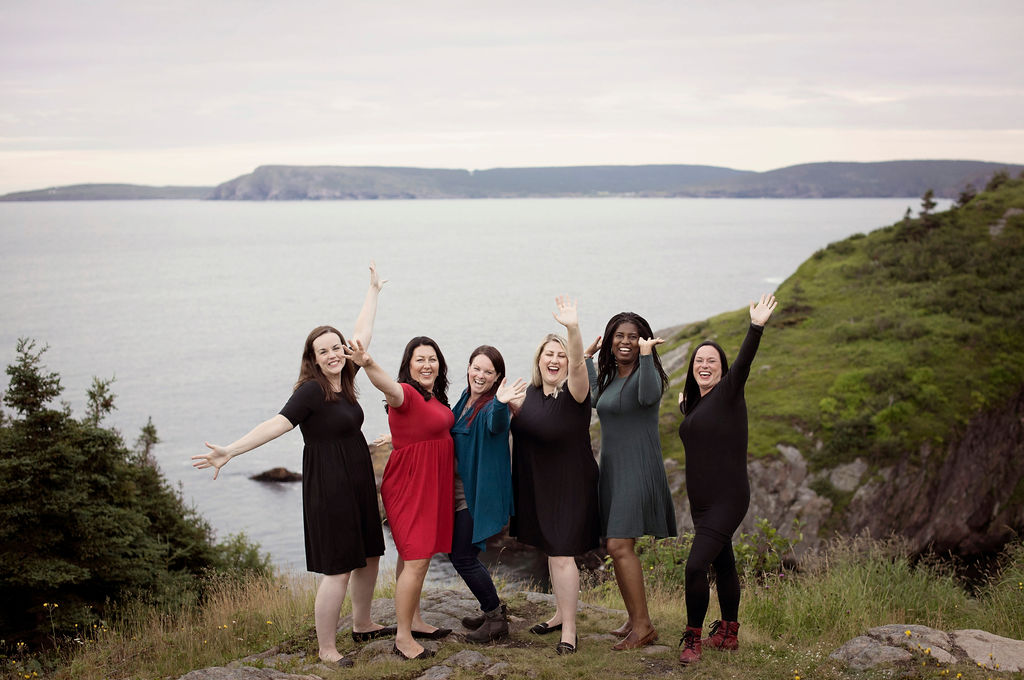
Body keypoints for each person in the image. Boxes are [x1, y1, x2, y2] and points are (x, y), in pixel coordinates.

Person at [192, 263, 390, 668]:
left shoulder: (346, 375)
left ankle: (364, 622)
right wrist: (230, 450)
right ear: (313, 359)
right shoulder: (310, 392)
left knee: (369, 555)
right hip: (330, 486)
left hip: (357, 480)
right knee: (337, 569)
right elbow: (275, 425)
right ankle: (327, 649)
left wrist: (372, 292)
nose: (334, 354)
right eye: (325, 351)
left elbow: (362, 334)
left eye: (337, 348)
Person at [675, 293, 778, 665]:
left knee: (695, 566)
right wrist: (688, 408)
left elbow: (745, 363)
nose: (705, 365)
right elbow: (702, 429)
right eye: (699, 360)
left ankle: (692, 639)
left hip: (727, 499)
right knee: (724, 564)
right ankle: (730, 633)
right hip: (702, 504)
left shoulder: (729, 392)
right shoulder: (696, 403)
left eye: (712, 361)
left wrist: (756, 327)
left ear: (721, 368)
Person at [343, 335, 454, 660]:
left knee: (412, 557)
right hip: (410, 486)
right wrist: (368, 363)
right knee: (417, 559)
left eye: (432, 359)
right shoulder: (403, 393)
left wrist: (397, 435)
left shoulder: (433, 397)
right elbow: (387, 386)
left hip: (431, 485)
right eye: (420, 359)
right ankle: (403, 638)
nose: (427, 365)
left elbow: (426, 429)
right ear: (408, 365)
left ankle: (414, 619)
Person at [509, 296, 600, 655]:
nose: (555, 359)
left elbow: (580, 364)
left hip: (571, 484)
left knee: (562, 553)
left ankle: (570, 631)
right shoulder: (528, 395)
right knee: (552, 550)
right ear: (538, 360)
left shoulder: (576, 393)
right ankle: (560, 614)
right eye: (549, 353)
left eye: (560, 355)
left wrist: (572, 330)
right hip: (538, 485)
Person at [586, 311, 676, 651]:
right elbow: (596, 399)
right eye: (619, 335)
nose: (625, 341)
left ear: (642, 340)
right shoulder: (613, 377)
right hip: (613, 470)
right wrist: (587, 360)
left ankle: (643, 626)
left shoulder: (645, 375)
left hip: (638, 468)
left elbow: (650, 396)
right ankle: (632, 617)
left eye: (632, 336)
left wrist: (647, 355)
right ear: (611, 340)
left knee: (618, 546)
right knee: (621, 546)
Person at [449, 346, 527, 642]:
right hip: (459, 490)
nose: (480, 375)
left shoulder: (493, 405)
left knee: (463, 557)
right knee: (459, 553)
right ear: (468, 368)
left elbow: (496, 424)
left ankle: (495, 619)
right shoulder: (465, 398)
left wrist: (502, 403)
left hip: (478, 493)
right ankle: (490, 607)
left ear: (497, 379)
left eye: (488, 372)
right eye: (476, 368)